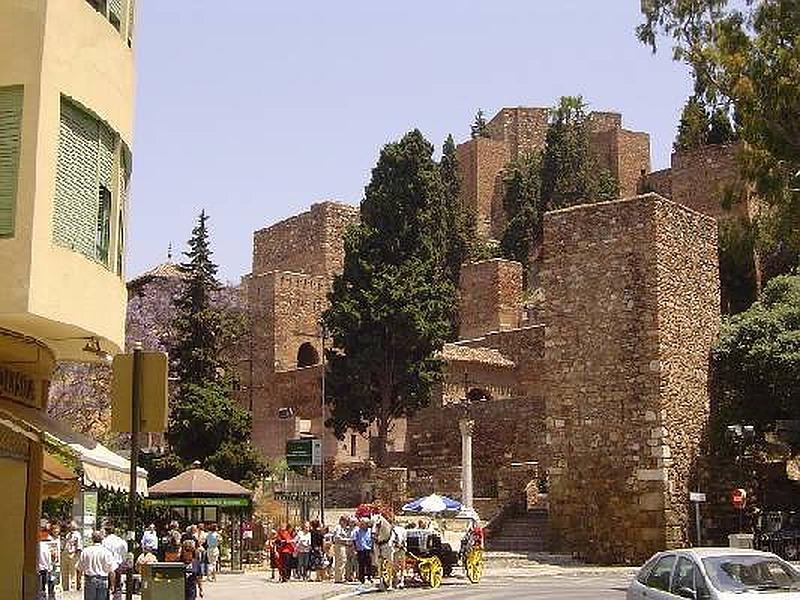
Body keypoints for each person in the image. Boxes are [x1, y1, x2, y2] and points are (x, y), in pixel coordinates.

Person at [77, 531, 116, 600]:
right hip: (103, 580)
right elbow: (112, 571)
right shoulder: (107, 552)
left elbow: (79, 568)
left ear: (92, 539)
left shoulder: (86, 551)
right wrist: (112, 584)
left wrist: (79, 581)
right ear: (102, 539)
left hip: (89, 580)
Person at [102, 524, 128, 600]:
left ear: (106, 532)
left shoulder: (104, 541)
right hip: (117, 566)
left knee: (106, 586)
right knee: (117, 587)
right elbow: (124, 554)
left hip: (107, 566)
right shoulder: (121, 541)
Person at [62, 521, 83, 592]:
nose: (69, 526)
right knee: (64, 571)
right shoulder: (67, 534)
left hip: (73, 554)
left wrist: (76, 555)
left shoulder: (77, 535)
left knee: (73, 572)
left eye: (70, 525)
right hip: (65, 554)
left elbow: (79, 546)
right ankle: (65, 587)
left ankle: (72, 588)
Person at [352, 518, 373, 584]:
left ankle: (369, 577)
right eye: (361, 523)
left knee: (369, 564)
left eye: (364, 523)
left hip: (368, 549)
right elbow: (354, 540)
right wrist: (354, 549)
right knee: (361, 564)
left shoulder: (370, 530)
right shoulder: (357, 531)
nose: (362, 525)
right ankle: (361, 578)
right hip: (360, 549)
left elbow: (372, 539)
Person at [332, 516, 352, 583]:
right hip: (339, 546)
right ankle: (338, 578)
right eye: (345, 522)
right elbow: (337, 537)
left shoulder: (343, 528)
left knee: (343, 561)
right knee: (340, 561)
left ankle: (341, 577)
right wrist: (346, 540)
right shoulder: (338, 527)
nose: (346, 523)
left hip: (343, 546)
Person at [37, 521, 54, 600]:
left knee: (39, 587)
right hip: (43, 569)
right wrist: (50, 567)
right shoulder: (46, 544)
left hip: (39, 568)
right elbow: (48, 558)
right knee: (43, 587)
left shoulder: (39, 543)